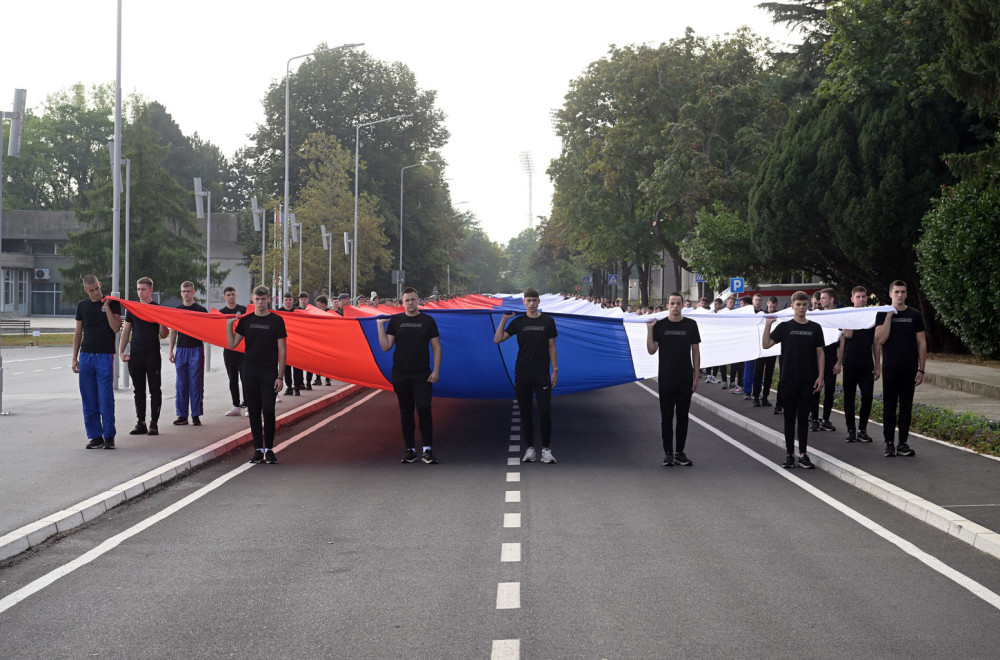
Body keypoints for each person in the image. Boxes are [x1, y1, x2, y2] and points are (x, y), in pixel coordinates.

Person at [376, 287, 442, 464]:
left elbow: (437, 347)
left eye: (413, 299)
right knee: (406, 412)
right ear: (402, 302)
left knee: (423, 409)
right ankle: (410, 450)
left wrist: (436, 371)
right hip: (400, 374)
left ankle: (427, 450)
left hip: (423, 375)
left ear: (418, 299)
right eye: (407, 300)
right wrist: (379, 326)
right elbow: (385, 346)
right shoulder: (396, 321)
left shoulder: (428, 321)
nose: (410, 303)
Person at [494, 287, 559, 464]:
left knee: (545, 411)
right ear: (524, 302)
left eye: (534, 300)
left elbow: (551, 346)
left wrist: (555, 370)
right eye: (528, 300)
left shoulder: (548, 321)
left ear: (539, 302)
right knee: (526, 412)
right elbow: (497, 339)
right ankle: (530, 448)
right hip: (522, 372)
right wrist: (503, 319)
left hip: (542, 373)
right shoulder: (518, 322)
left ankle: (546, 449)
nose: (531, 303)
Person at [762, 291, 825, 469]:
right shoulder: (784, 327)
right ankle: (789, 454)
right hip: (788, 380)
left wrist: (820, 376)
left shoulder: (815, 328)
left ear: (808, 306)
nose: (802, 308)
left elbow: (820, 353)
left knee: (804, 419)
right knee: (789, 418)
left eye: (805, 305)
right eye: (798, 305)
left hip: (808, 380)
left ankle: (803, 454)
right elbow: (766, 344)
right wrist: (768, 325)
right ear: (792, 306)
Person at [227, 286, 286, 464]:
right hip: (250, 371)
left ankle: (269, 449)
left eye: (263, 299)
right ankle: (257, 449)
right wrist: (229, 325)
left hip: (269, 372)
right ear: (252, 299)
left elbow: (282, 350)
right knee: (253, 411)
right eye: (257, 299)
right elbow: (232, 344)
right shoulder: (246, 321)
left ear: (269, 299)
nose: (260, 302)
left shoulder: (277, 320)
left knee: (268, 410)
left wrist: (280, 376)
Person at [647, 292, 700, 466]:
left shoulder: (691, 325)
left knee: (683, 417)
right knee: (667, 418)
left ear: (683, 305)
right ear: (667, 305)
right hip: (666, 379)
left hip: (685, 378)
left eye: (678, 303)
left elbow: (696, 351)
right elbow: (651, 350)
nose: (675, 306)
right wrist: (649, 330)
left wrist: (696, 376)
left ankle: (680, 453)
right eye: (672, 303)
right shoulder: (660, 326)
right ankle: (668, 453)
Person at [873, 280, 926, 457]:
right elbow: (880, 339)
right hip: (890, 367)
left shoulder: (915, 314)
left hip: (909, 368)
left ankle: (902, 443)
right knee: (889, 406)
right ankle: (889, 443)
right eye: (896, 292)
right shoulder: (882, 314)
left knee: (906, 407)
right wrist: (889, 316)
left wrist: (922, 369)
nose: (900, 295)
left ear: (906, 294)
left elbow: (921, 342)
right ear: (890, 294)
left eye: (903, 292)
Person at [73, 275, 122, 449]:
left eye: (97, 289)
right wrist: (74, 357)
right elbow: (78, 333)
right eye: (91, 290)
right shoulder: (82, 306)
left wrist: (106, 307)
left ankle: (109, 436)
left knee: (105, 397)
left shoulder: (112, 303)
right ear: (86, 290)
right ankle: (95, 436)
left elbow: (116, 328)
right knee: (88, 398)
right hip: (86, 355)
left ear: (100, 285)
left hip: (104, 355)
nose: (95, 293)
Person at [118, 276, 168, 436]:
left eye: (143, 289)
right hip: (136, 354)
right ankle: (141, 422)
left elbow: (164, 334)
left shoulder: (157, 308)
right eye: (138, 289)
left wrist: (161, 320)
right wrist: (121, 351)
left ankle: (154, 423)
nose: (140, 292)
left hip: (152, 354)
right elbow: (126, 331)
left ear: (151, 290)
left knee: (155, 389)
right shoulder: (132, 308)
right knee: (138, 390)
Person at [835, 286, 878, 443]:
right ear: (852, 299)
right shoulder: (847, 315)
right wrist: (838, 363)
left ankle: (862, 429)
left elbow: (876, 343)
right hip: (850, 362)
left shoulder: (871, 317)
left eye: (864, 296)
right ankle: (851, 429)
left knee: (867, 397)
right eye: (858, 297)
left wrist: (877, 365)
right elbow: (846, 335)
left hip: (866, 364)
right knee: (849, 397)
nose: (861, 299)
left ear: (867, 298)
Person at [168, 281, 208, 426]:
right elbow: (173, 331)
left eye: (189, 291)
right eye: (184, 291)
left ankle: (196, 414)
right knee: (181, 384)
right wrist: (170, 351)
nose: (186, 293)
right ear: (181, 293)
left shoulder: (201, 310)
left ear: (194, 292)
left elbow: (207, 330)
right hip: (181, 350)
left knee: (196, 383)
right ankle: (182, 415)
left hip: (196, 349)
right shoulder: (177, 310)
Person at [811, 288, 839, 431]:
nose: (820, 300)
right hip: (816, 358)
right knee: (815, 388)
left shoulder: (839, 315)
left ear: (831, 299)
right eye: (820, 298)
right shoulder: (816, 315)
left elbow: (844, 339)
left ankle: (826, 420)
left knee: (830, 390)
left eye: (823, 298)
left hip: (832, 358)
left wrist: (839, 362)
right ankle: (814, 419)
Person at [218, 285, 247, 416]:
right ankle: (236, 406)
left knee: (246, 378)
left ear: (236, 295)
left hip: (244, 350)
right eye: (228, 295)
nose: (231, 297)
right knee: (232, 379)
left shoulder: (243, 310)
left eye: (233, 294)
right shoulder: (220, 313)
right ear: (224, 297)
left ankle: (248, 405)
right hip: (229, 350)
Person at [754, 296, 779, 408]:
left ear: (776, 305)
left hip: (772, 350)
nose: (772, 308)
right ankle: (755, 397)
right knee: (758, 373)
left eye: (774, 307)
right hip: (761, 349)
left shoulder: (779, 316)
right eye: (770, 306)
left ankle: (765, 397)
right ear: (767, 304)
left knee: (769, 375)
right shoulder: (761, 314)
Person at [279, 292, 304, 395]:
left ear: (293, 301)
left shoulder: (298, 311)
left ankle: (297, 387)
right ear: (283, 301)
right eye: (286, 300)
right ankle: (289, 387)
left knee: (297, 367)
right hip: (284, 343)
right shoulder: (279, 312)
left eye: (290, 300)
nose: (288, 302)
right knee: (286, 367)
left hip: (297, 343)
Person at [297, 292, 315, 390]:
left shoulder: (311, 310)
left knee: (310, 364)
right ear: (299, 300)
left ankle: (308, 382)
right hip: (300, 340)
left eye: (305, 299)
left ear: (307, 299)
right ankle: (300, 382)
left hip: (310, 340)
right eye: (301, 299)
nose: (303, 300)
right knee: (299, 364)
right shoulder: (297, 311)